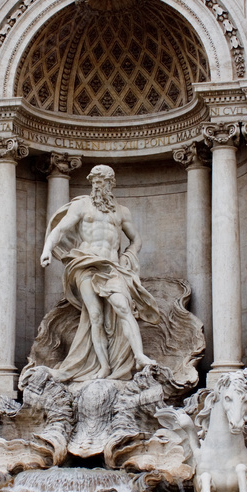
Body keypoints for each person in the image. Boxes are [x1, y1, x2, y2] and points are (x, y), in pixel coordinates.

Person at [40, 164, 159, 382]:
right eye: (94, 182)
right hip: (85, 263)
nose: (97, 186)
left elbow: (136, 239)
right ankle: (104, 366)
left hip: (112, 266)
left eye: (101, 182)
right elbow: (61, 229)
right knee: (94, 315)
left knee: (123, 307)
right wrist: (47, 249)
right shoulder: (82, 205)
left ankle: (140, 356)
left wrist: (129, 254)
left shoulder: (122, 212)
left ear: (111, 183)